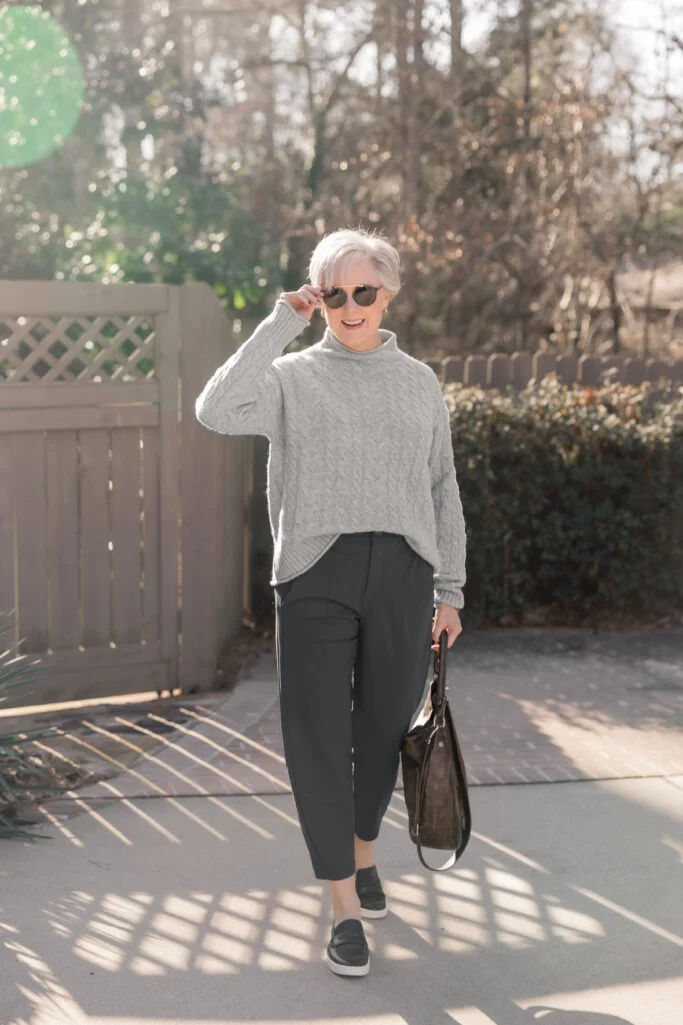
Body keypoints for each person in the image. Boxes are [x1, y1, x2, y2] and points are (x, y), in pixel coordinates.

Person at [195, 227, 466, 978]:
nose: (350, 306)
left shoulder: (419, 381)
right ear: (319, 298)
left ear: (389, 292)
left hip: (405, 572)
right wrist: (281, 321)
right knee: (316, 736)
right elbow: (215, 408)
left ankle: (363, 851)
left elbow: (442, 485)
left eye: (364, 291)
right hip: (315, 572)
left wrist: (449, 589)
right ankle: (343, 905)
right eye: (335, 293)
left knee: (382, 730)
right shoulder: (290, 377)